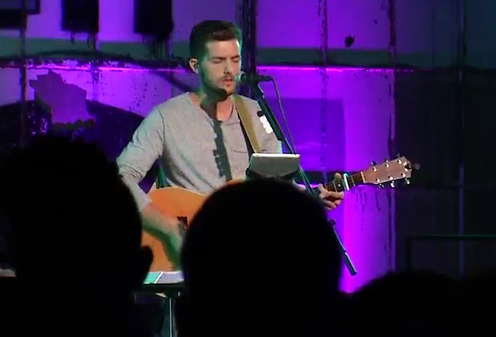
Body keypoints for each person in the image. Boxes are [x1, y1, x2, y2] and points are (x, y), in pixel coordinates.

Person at [117, 20, 343, 262]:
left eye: (235, 60)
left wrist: (310, 196)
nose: (229, 70)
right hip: (193, 256)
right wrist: (168, 227)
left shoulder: (257, 114)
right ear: (195, 65)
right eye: (218, 61)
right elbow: (121, 177)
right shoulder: (165, 117)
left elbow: (276, 186)